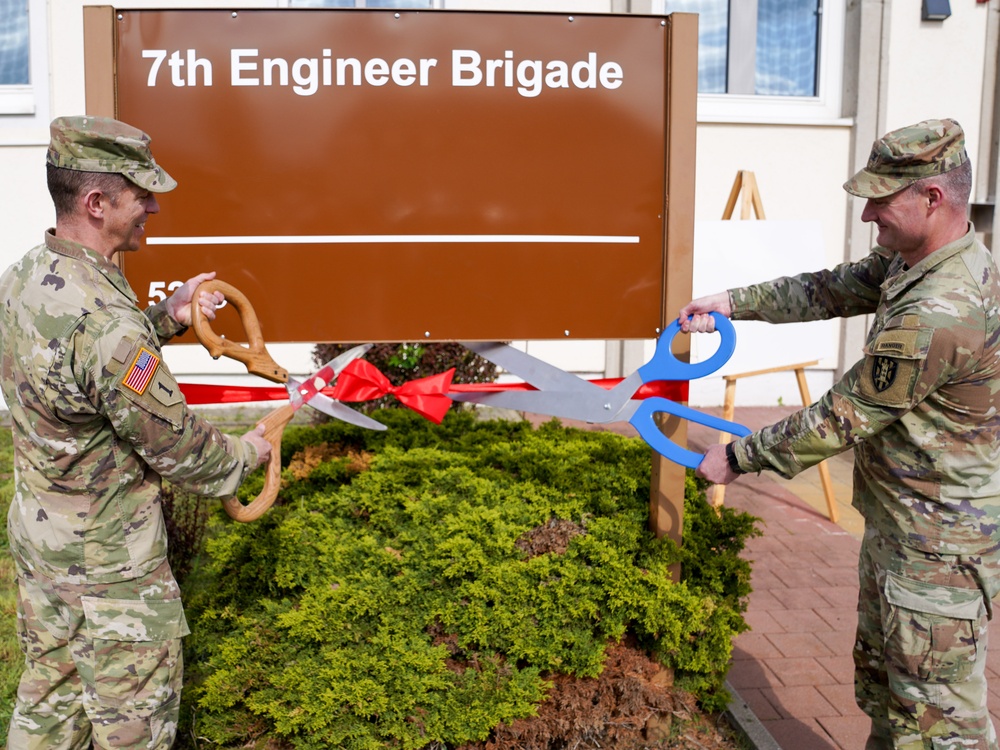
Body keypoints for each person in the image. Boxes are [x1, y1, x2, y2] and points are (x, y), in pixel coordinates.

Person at [680, 119, 1000, 750]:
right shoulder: (920, 260)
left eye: (881, 199)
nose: (868, 215)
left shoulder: (943, 307)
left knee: (938, 729)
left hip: (937, 550)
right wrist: (732, 301)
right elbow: (831, 286)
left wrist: (738, 457)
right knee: (890, 700)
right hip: (906, 530)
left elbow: (841, 415)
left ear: (932, 198)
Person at [2, 116, 272, 749]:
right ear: (97, 203)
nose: (153, 205)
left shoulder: (29, 277)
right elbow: (183, 449)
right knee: (133, 730)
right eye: (140, 192)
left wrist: (168, 316)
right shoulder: (108, 329)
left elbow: (79, 371)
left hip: (45, 549)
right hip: (112, 576)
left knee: (48, 708)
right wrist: (249, 452)